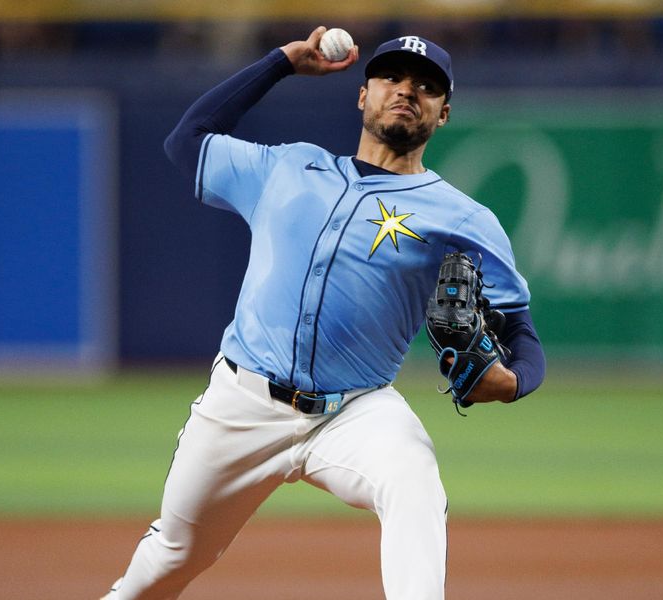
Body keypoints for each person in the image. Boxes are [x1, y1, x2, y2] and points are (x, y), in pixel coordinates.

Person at [102, 26, 545, 600]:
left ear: (444, 114)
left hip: (355, 410)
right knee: (171, 558)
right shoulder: (285, 168)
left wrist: (512, 383)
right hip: (240, 403)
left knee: (413, 476)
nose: (407, 89)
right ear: (363, 95)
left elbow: (521, 332)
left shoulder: (464, 217)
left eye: (427, 86)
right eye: (391, 77)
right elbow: (187, 139)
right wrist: (281, 62)